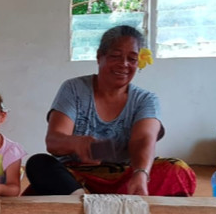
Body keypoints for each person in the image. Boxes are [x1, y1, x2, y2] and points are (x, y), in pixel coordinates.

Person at [25, 24, 196, 197]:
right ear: (100, 57)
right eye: (115, 56)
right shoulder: (74, 89)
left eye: (132, 59)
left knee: (178, 170)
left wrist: (140, 174)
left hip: (124, 178)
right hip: (76, 178)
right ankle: (86, 202)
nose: (124, 64)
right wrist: (77, 143)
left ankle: (93, 206)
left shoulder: (145, 100)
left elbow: (143, 139)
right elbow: (53, 141)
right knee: (38, 163)